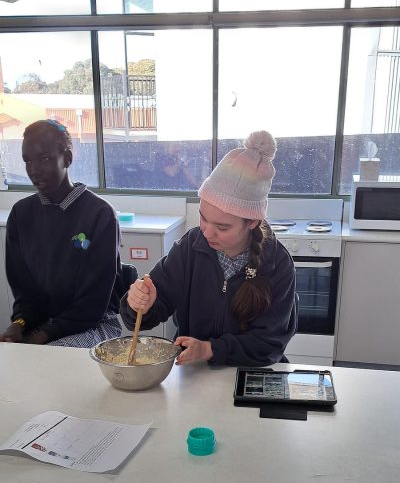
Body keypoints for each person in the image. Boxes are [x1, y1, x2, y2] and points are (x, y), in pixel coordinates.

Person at [120, 130, 297, 366]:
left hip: (251, 374)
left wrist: (210, 349)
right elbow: (146, 314)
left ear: (252, 222)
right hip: (193, 372)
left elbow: (269, 344)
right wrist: (140, 304)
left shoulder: (277, 263)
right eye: (203, 217)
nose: (207, 232)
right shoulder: (191, 247)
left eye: (222, 227)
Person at [0, 119, 122, 347]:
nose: (34, 170)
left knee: (45, 357)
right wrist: (19, 324)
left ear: (67, 158)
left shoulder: (99, 214)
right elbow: (25, 293)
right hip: (42, 324)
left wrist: (42, 336)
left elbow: (93, 302)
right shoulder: (20, 215)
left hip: (95, 324)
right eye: (28, 161)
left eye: (44, 159)